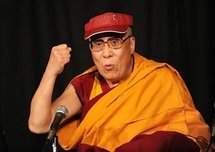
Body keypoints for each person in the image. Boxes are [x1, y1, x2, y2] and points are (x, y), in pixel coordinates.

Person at [28, 12, 211, 152]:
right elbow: (39, 124)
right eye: (98, 44)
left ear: (131, 45)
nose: (106, 53)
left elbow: (188, 130)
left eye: (115, 42)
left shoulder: (159, 77)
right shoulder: (87, 84)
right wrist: (51, 71)